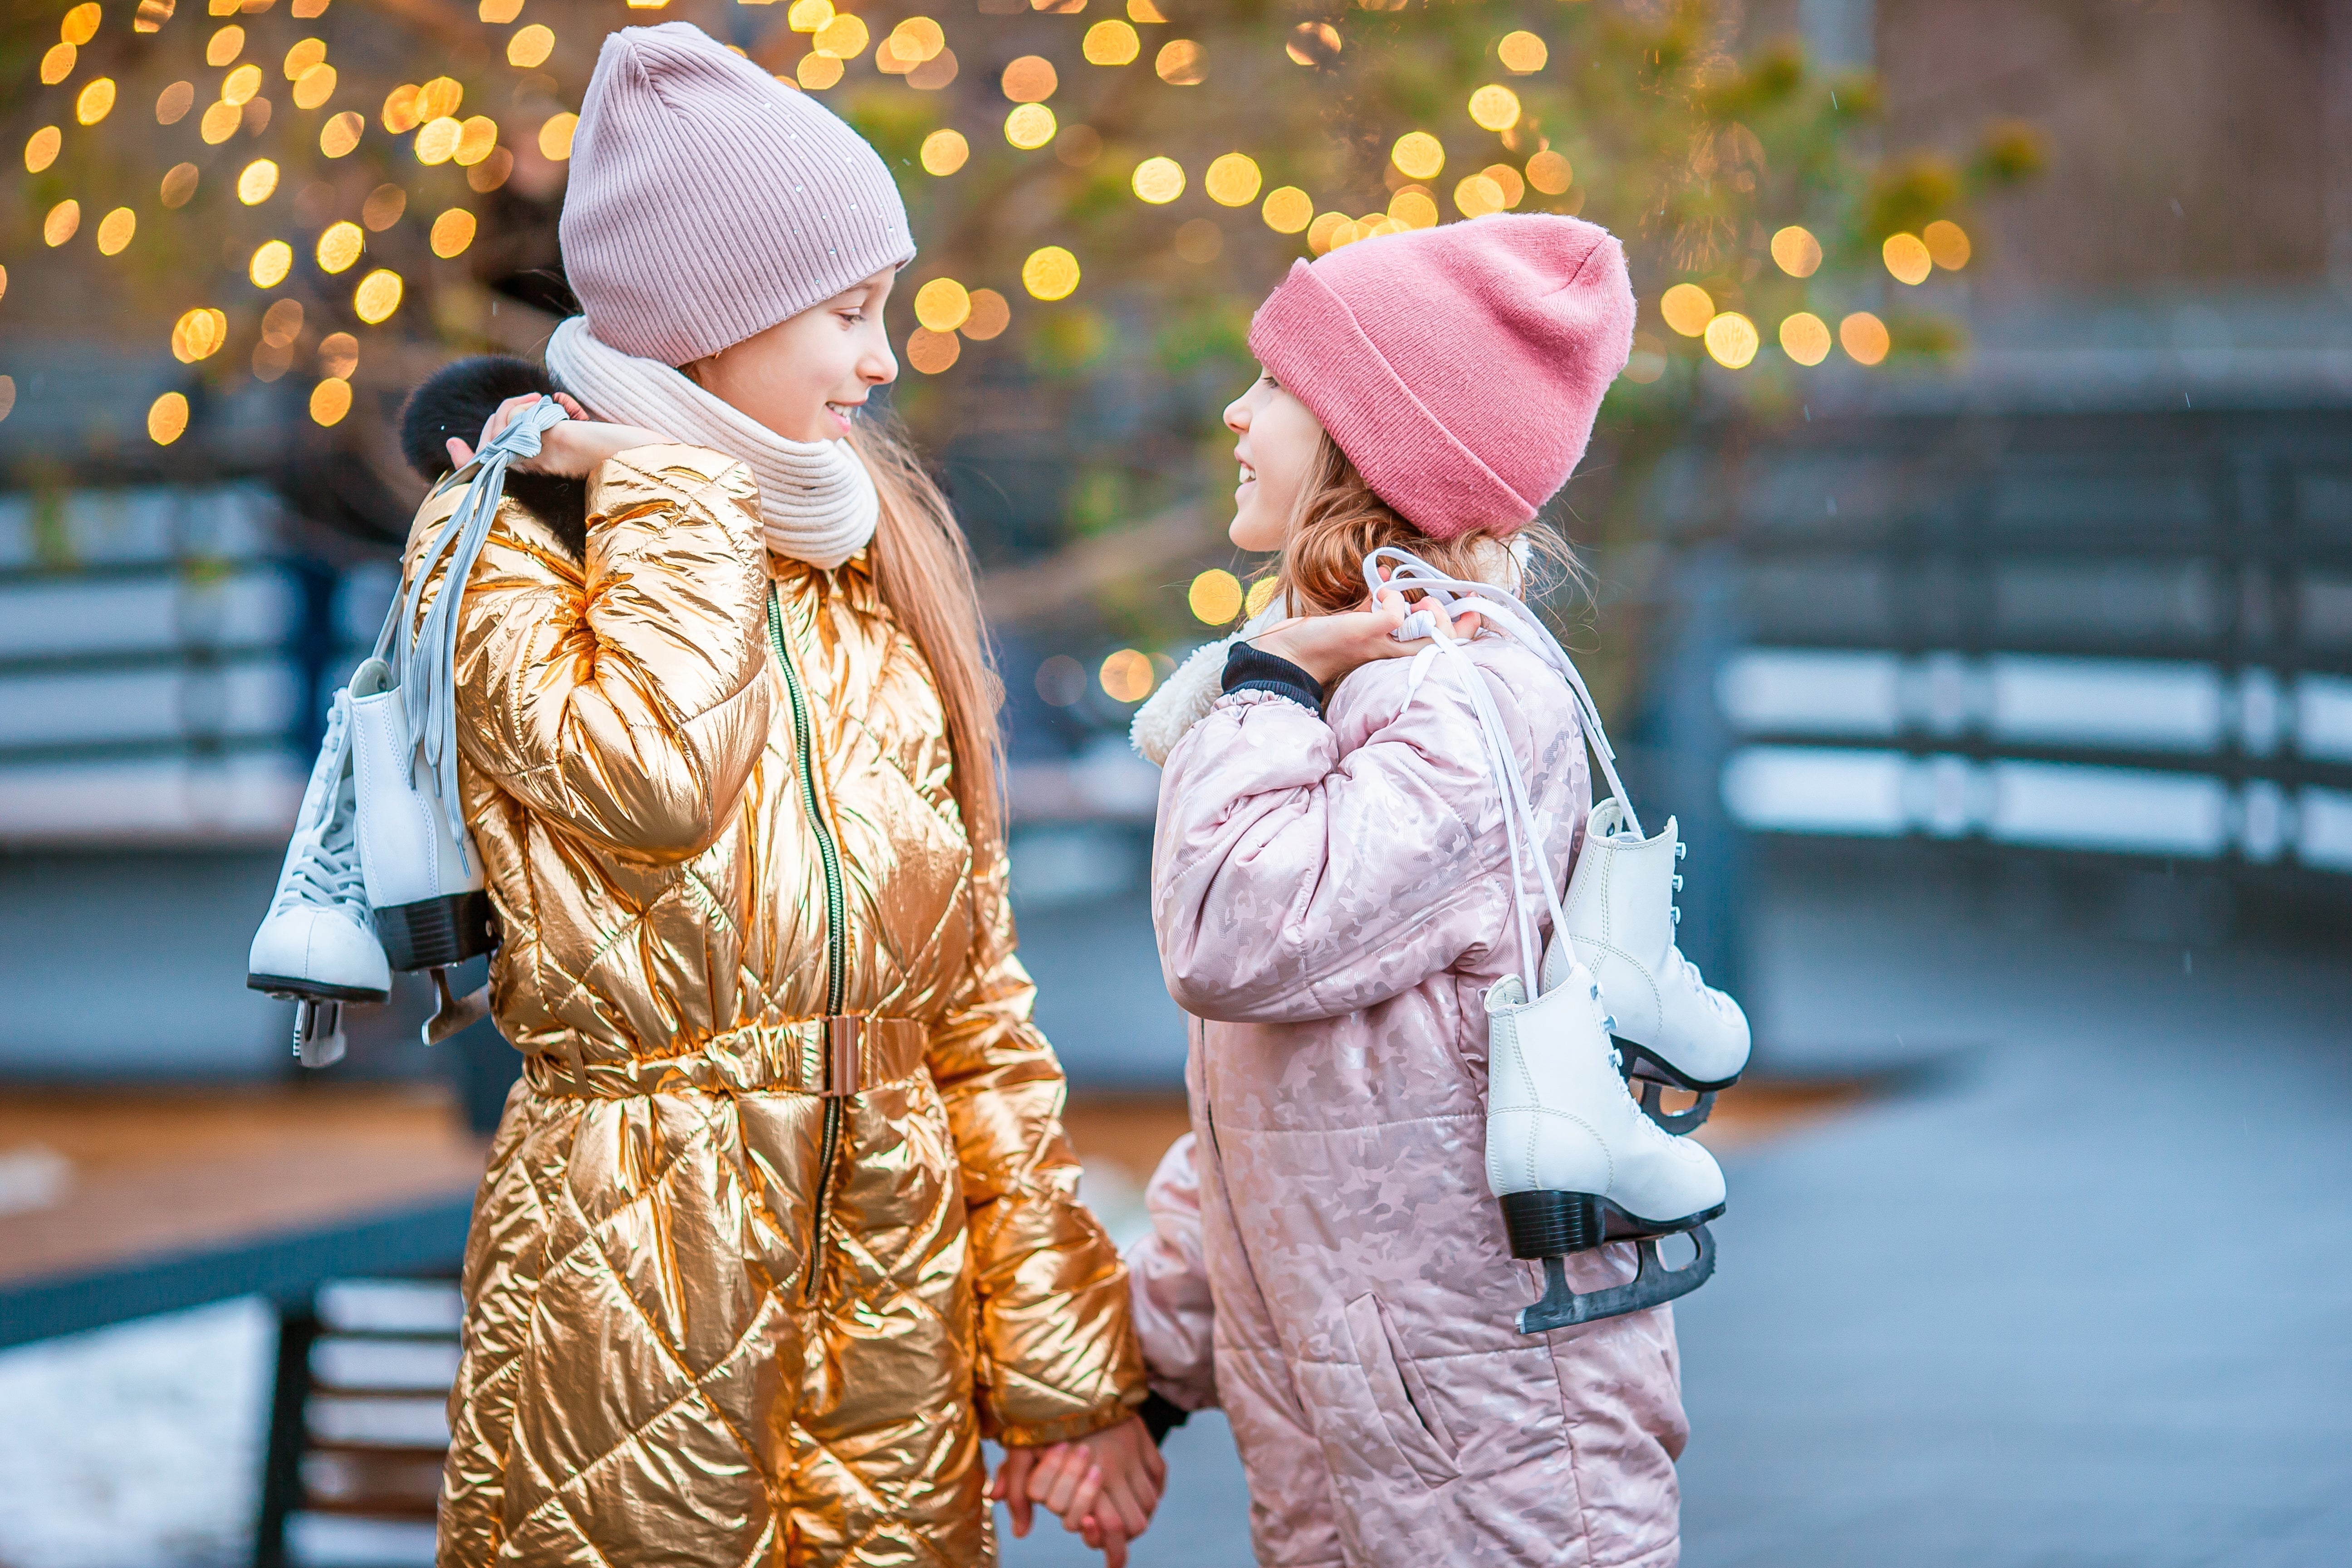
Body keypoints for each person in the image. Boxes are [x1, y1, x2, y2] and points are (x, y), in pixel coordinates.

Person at [399, 24, 1159, 1567]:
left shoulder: (873, 569)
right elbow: (653, 779)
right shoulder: (510, 547)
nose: (881, 361)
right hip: (636, 1276)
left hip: (888, 1295)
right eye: (848, 313)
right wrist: (670, 496)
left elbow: (972, 1011)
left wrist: (1070, 1377)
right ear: (718, 315)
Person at [1122, 214, 1691, 1566]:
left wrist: (1258, 683)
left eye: (1274, 385)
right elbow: (1290, 1107)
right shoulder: (1358, 688)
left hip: (1493, 1470)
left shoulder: (1463, 701)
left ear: (1365, 441)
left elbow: (1231, 937)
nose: (1235, 410)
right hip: (1375, 1451)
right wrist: (1148, 1364)